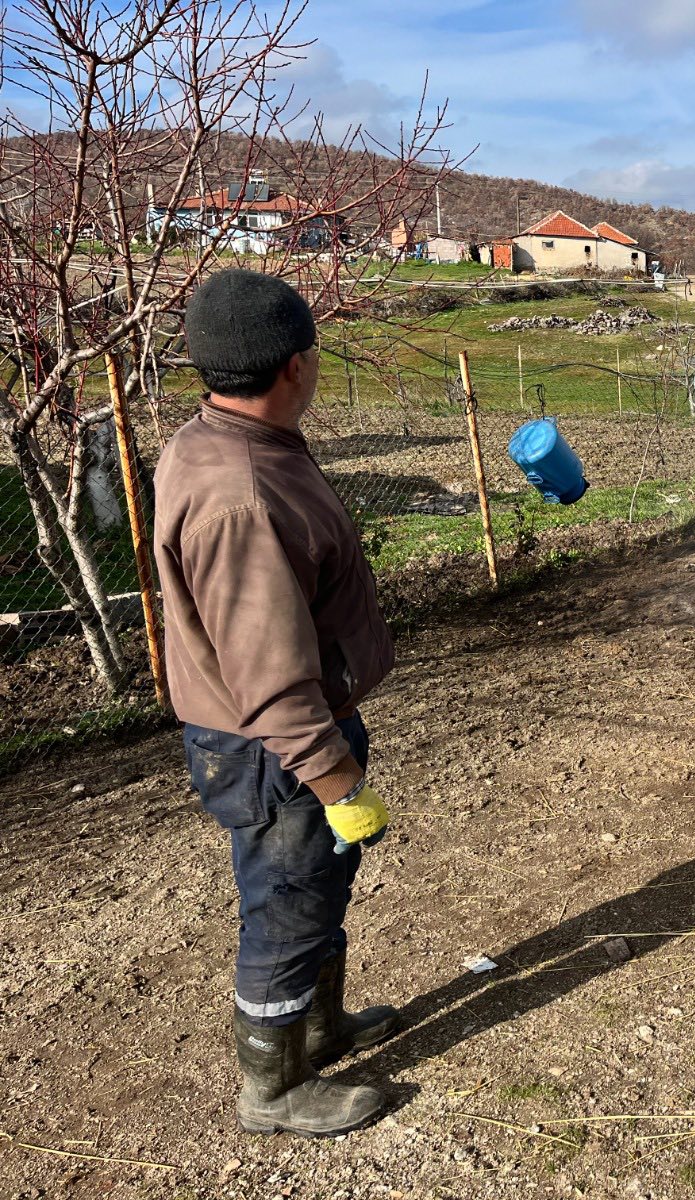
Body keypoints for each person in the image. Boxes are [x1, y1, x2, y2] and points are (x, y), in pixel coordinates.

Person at [154, 269, 398, 1138]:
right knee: (289, 903)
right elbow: (270, 678)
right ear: (295, 365)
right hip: (277, 747)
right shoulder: (243, 496)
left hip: (284, 733)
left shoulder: (222, 438)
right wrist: (337, 781)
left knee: (316, 888)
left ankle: (318, 1030)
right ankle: (274, 1089)